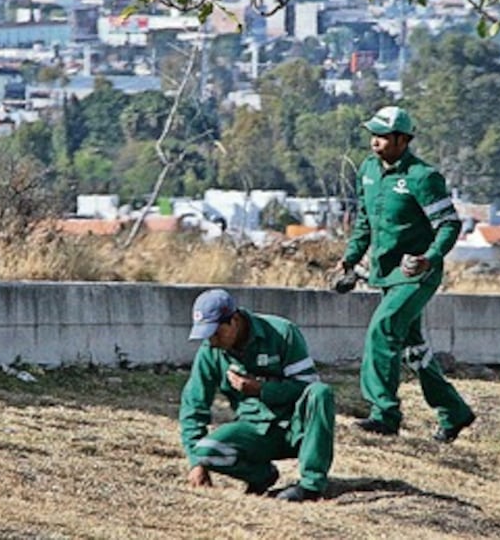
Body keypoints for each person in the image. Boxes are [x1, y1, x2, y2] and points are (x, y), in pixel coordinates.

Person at [337, 105, 476, 442]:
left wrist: (429, 257)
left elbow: (448, 224)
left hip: (417, 276)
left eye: (383, 136)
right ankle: (454, 411)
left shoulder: (422, 177)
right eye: (373, 135)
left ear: (402, 139)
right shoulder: (369, 171)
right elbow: (365, 223)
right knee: (413, 349)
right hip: (385, 274)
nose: (375, 142)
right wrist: (349, 259)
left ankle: (384, 414)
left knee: (382, 330)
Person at [179, 288, 335, 503]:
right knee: (205, 451)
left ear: (234, 320)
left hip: (295, 427)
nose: (212, 340)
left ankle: (311, 486)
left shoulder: (282, 332)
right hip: (254, 430)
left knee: (321, 393)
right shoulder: (211, 350)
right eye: (206, 334)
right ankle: (262, 476)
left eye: (216, 332)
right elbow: (193, 405)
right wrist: (196, 463)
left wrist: (261, 389)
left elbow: (307, 385)